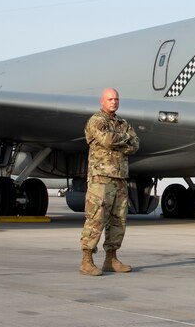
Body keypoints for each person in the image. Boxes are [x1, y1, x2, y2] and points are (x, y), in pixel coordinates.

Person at [79, 87, 140, 276]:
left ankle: (111, 259)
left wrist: (120, 140)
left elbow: (136, 145)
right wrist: (125, 139)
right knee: (96, 218)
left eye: (116, 99)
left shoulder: (122, 123)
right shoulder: (96, 121)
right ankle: (86, 260)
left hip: (120, 177)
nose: (114, 102)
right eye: (110, 99)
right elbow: (106, 140)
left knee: (118, 220)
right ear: (102, 101)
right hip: (101, 178)